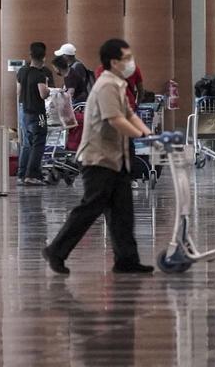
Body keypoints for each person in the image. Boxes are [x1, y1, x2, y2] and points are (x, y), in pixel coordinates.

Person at [43, 38, 154, 276]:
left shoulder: (118, 84)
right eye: (126, 58)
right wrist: (142, 135)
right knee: (91, 207)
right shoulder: (105, 86)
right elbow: (114, 119)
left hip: (117, 157)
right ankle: (56, 250)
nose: (131, 63)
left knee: (123, 210)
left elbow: (129, 115)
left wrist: (148, 133)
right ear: (114, 62)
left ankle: (126, 259)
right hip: (99, 158)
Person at [16, 42, 52, 186]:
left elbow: (18, 91)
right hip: (38, 112)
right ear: (44, 57)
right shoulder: (39, 75)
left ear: (30, 55)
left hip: (24, 111)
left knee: (27, 143)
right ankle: (32, 175)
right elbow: (43, 94)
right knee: (39, 143)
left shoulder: (22, 72)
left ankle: (22, 173)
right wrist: (49, 88)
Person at [57, 43, 92, 151]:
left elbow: (73, 88)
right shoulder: (75, 66)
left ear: (66, 56)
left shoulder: (76, 67)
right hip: (79, 102)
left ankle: (73, 148)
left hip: (78, 103)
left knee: (76, 128)